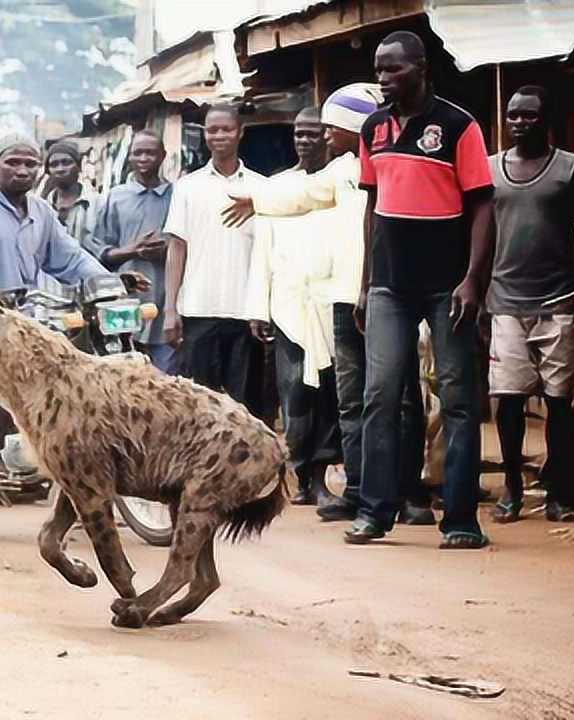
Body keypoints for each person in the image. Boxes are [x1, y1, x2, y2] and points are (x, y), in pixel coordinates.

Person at [223, 84, 437, 525]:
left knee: (400, 400)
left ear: (351, 128)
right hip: (341, 300)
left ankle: (411, 494)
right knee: (351, 401)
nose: (324, 137)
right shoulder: (339, 171)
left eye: (332, 129)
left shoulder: (390, 165)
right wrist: (256, 200)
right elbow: (301, 194)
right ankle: (360, 490)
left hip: (387, 296)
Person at [346, 31, 494, 548]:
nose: (385, 79)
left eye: (394, 69)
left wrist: (473, 279)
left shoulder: (458, 125)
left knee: (457, 399)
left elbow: (481, 206)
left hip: (447, 284)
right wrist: (365, 284)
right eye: (379, 69)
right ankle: (375, 510)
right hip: (390, 284)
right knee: (380, 394)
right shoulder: (374, 128)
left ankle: (460, 518)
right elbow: (372, 207)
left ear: (422, 67)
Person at [0, 134, 146, 477]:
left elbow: (71, 258)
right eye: (13, 163)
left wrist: (109, 280)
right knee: (10, 363)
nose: (22, 171)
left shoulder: (41, 211)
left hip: (32, 316)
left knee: (71, 366)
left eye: (30, 164)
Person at [486, 86, 574, 524]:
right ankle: (511, 485)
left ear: (546, 119)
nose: (518, 122)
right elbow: (479, 234)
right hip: (506, 301)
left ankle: (559, 489)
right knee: (508, 399)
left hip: (560, 302)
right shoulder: (491, 169)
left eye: (528, 116)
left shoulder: (571, 169)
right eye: (513, 115)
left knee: (559, 401)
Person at [244, 107, 342, 508]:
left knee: (330, 394)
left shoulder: (338, 184)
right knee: (296, 394)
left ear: (328, 137)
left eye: (313, 134)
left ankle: (321, 474)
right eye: (299, 134)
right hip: (287, 306)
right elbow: (261, 253)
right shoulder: (276, 188)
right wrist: (258, 307)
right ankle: (299, 474)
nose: (304, 140)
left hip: (330, 302)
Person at [163, 103, 268, 418]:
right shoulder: (187, 187)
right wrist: (170, 309)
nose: (219, 136)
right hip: (198, 311)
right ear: (204, 134)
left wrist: (263, 308)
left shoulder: (261, 188)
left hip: (245, 314)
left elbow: (268, 252)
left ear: (240, 133)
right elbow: (177, 247)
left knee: (247, 412)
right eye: (212, 130)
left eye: (226, 129)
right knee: (197, 411)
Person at [85, 129, 176, 372]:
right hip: (123, 301)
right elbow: (98, 253)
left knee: (165, 376)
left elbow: (188, 247)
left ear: (163, 156)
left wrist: (167, 251)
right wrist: (132, 251)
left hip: (166, 299)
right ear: (129, 157)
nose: (144, 158)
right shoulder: (115, 198)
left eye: (150, 153)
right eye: (138, 153)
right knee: (126, 373)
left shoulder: (176, 196)